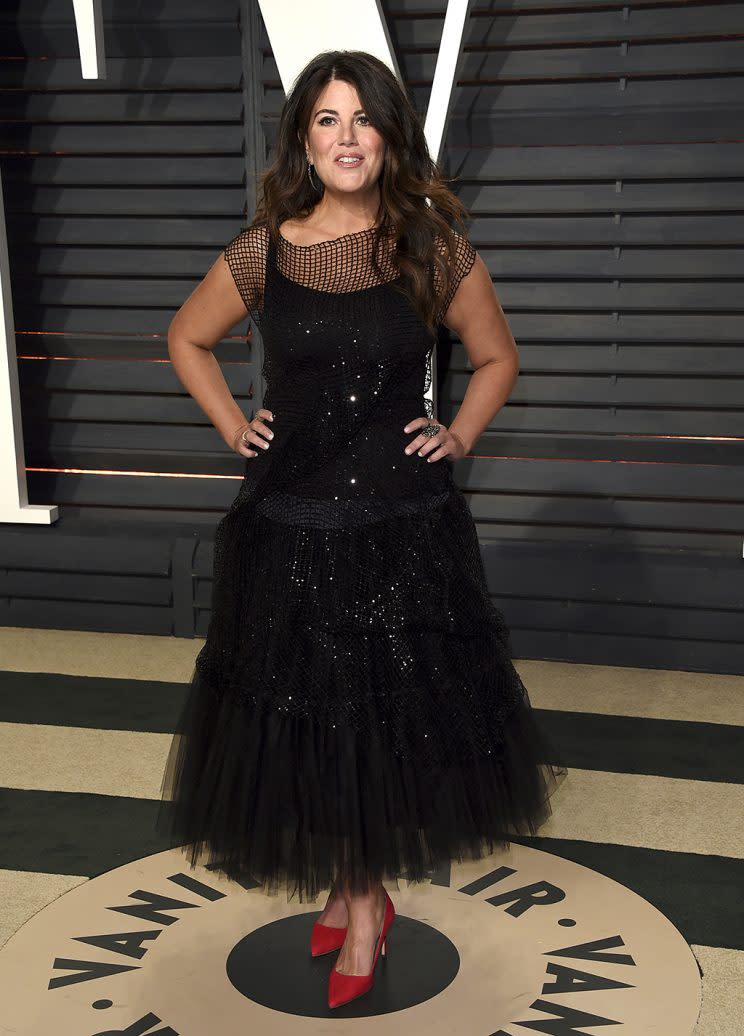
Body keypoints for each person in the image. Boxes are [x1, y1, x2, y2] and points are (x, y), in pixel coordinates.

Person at [157, 49, 566, 1010]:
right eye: (328, 120)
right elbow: (186, 335)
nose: (347, 138)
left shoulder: (432, 247)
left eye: (363, 120)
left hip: (401, 533)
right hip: (290, 528)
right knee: (310, 727)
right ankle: (354, 889)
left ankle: (365, 908)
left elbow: (499, 356)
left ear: (388, 134)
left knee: (378, 730)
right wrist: (231, 422)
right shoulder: (266, 245)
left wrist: (458, 430)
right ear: (305, 135)